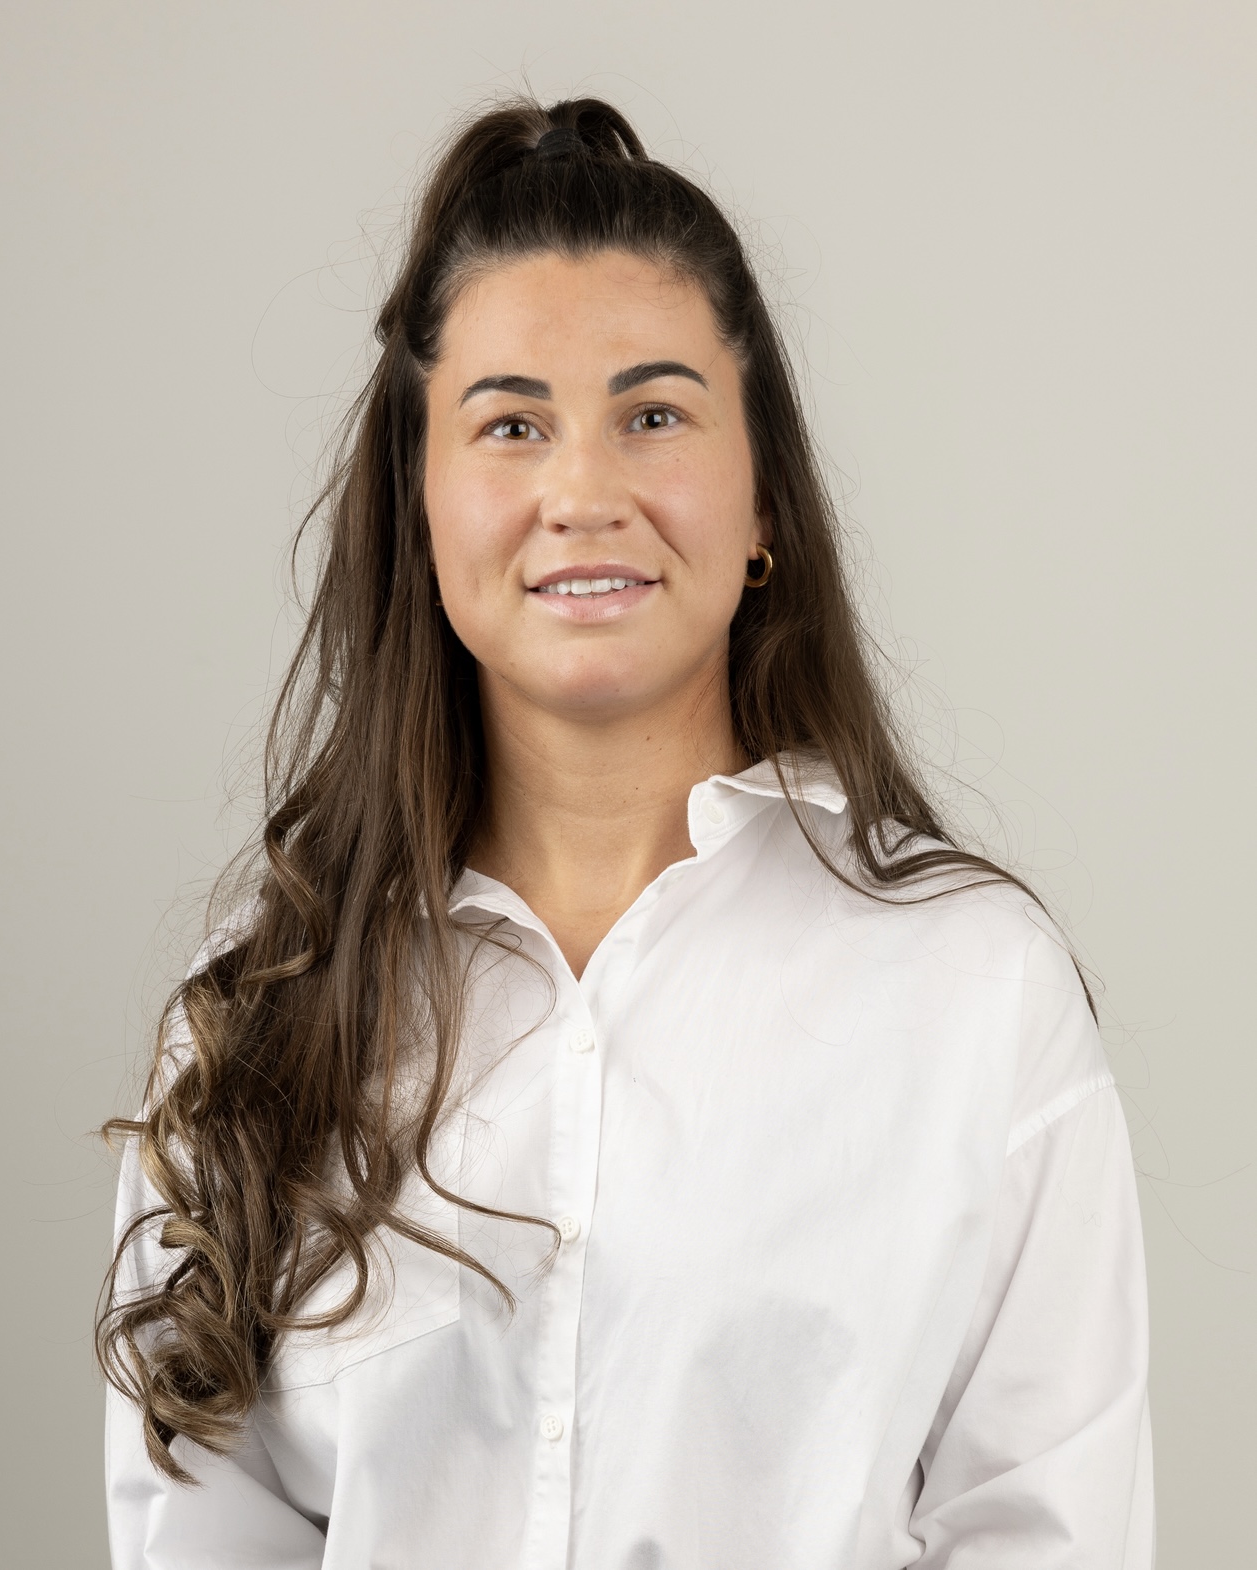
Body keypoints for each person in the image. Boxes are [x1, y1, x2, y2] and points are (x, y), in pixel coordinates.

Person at [99, 97, 1153, 1569]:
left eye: (652, 415)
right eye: (511, 425)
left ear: (762, 495)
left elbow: (1044, 1532)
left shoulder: (973, 988)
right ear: (420, 503)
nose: (583, 493)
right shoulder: (263, 1012)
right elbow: (203, 1531)